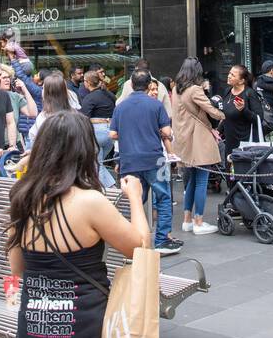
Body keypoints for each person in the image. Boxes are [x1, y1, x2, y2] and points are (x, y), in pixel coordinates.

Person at [6, 109, 152, 338]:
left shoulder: (21, 200)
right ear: (84, 151)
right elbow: (141, 248)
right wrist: (135, 197)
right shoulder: (89, 202)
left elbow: (17, 268)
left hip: (33, 327)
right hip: (83, 326)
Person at [110, 70, 182, 254]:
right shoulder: (156, 105)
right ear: (150, 85)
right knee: (164, 197)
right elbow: (166, 131)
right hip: (155, 159)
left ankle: (129, 238)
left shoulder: (120, 107)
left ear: (131, 85)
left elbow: (113, 134)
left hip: (129, 161)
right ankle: (161, 240)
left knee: (134, 200)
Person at [171, 58, 224, 235]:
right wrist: (223, 114)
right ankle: (199, 222)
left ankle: (187, 220)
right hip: (198, 140)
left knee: (191, 181)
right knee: (201, 180)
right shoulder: (195, 90)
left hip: (183, 140)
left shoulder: (176, 89)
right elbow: (211, 111)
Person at [219, 64, 259, 156]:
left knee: (241, 169)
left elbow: (258, 119)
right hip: (229, 142)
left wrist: (243, 110)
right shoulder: (227, 91)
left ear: (241, 81)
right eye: (229, 73)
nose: (229, 76)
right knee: (228, 168)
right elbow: (226, 116)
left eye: (233, 75)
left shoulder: (250, 93)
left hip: (244, 143)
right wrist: (218, 131)